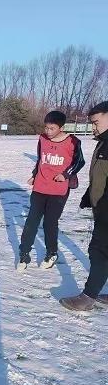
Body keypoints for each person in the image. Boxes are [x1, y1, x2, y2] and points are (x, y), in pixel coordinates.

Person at [18, 110, 85, 271]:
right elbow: (41, 159)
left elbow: (80, 162)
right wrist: (34, 175)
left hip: (58, 191)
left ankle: (51, 253)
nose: (48, 131)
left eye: (52, 128)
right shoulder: (42, 139)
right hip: (40, 187)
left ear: (61, 127)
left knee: (50, 222)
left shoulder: (73, 141)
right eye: (46, 128)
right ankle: (24, 253)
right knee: (31, 221)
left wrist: (65, 174)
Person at [61, 102, 108, 311]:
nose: (93, 127)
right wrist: (90, 196)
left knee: (99, 251)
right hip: (102, 207)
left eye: (96, 122)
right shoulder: (103, 142)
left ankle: (88, 297)